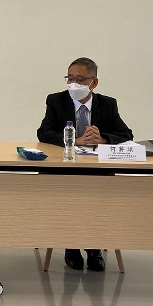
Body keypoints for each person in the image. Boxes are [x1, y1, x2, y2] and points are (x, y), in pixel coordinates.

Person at [37, 56, 133, 273]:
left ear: (94, 82)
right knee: (69, 196)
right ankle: (71, 246)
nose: (74, 84)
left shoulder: (107, 104)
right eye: (70, 78)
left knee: (98, 196)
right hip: (64, 168)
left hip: (96, 169)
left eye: (80, 80)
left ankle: (93, 247)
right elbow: (44, 133)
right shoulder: (56, 100)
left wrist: (104, 139)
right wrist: (75, 140)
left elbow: (126, 133)